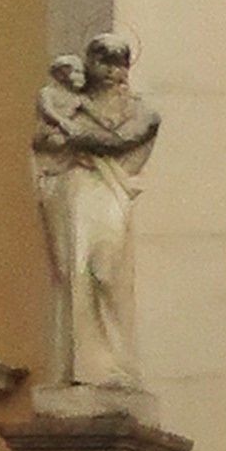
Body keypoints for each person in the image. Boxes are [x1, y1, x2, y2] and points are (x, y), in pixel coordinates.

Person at [31, 30, 160, 396]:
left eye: (118, 62)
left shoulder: (143, 112)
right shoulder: (65, 102)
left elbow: (120, 140)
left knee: (107, 271)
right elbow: (45, 143)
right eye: (103, 61)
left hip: (109, 193)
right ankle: (85, 368)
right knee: (76, 273)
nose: (111, 71)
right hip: (73, 192)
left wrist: (72, 130)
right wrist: (68, 129)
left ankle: (116, 361)